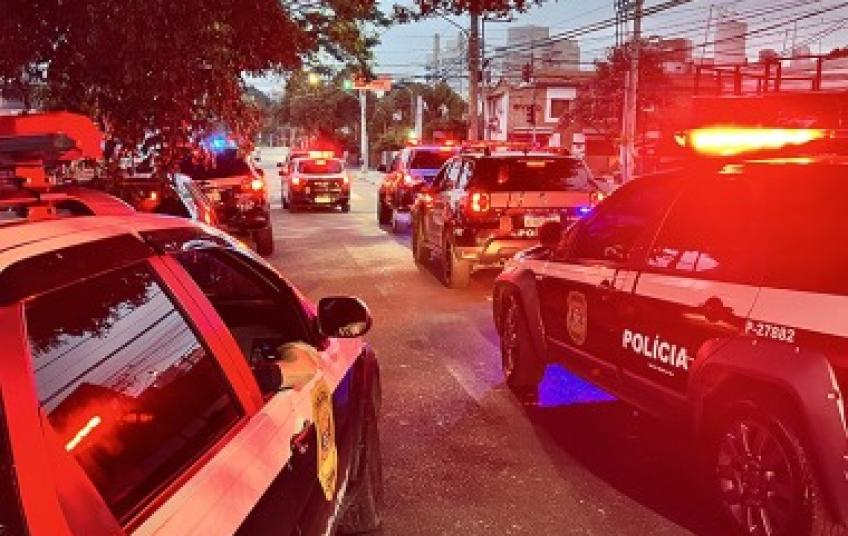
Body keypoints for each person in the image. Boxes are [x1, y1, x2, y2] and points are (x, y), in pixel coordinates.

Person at [252, 342, 321, 393]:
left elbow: (281, 349)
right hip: (276, 381)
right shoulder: (313, 374)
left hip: (272, 371)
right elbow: (298, 389)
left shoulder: (300, 351)